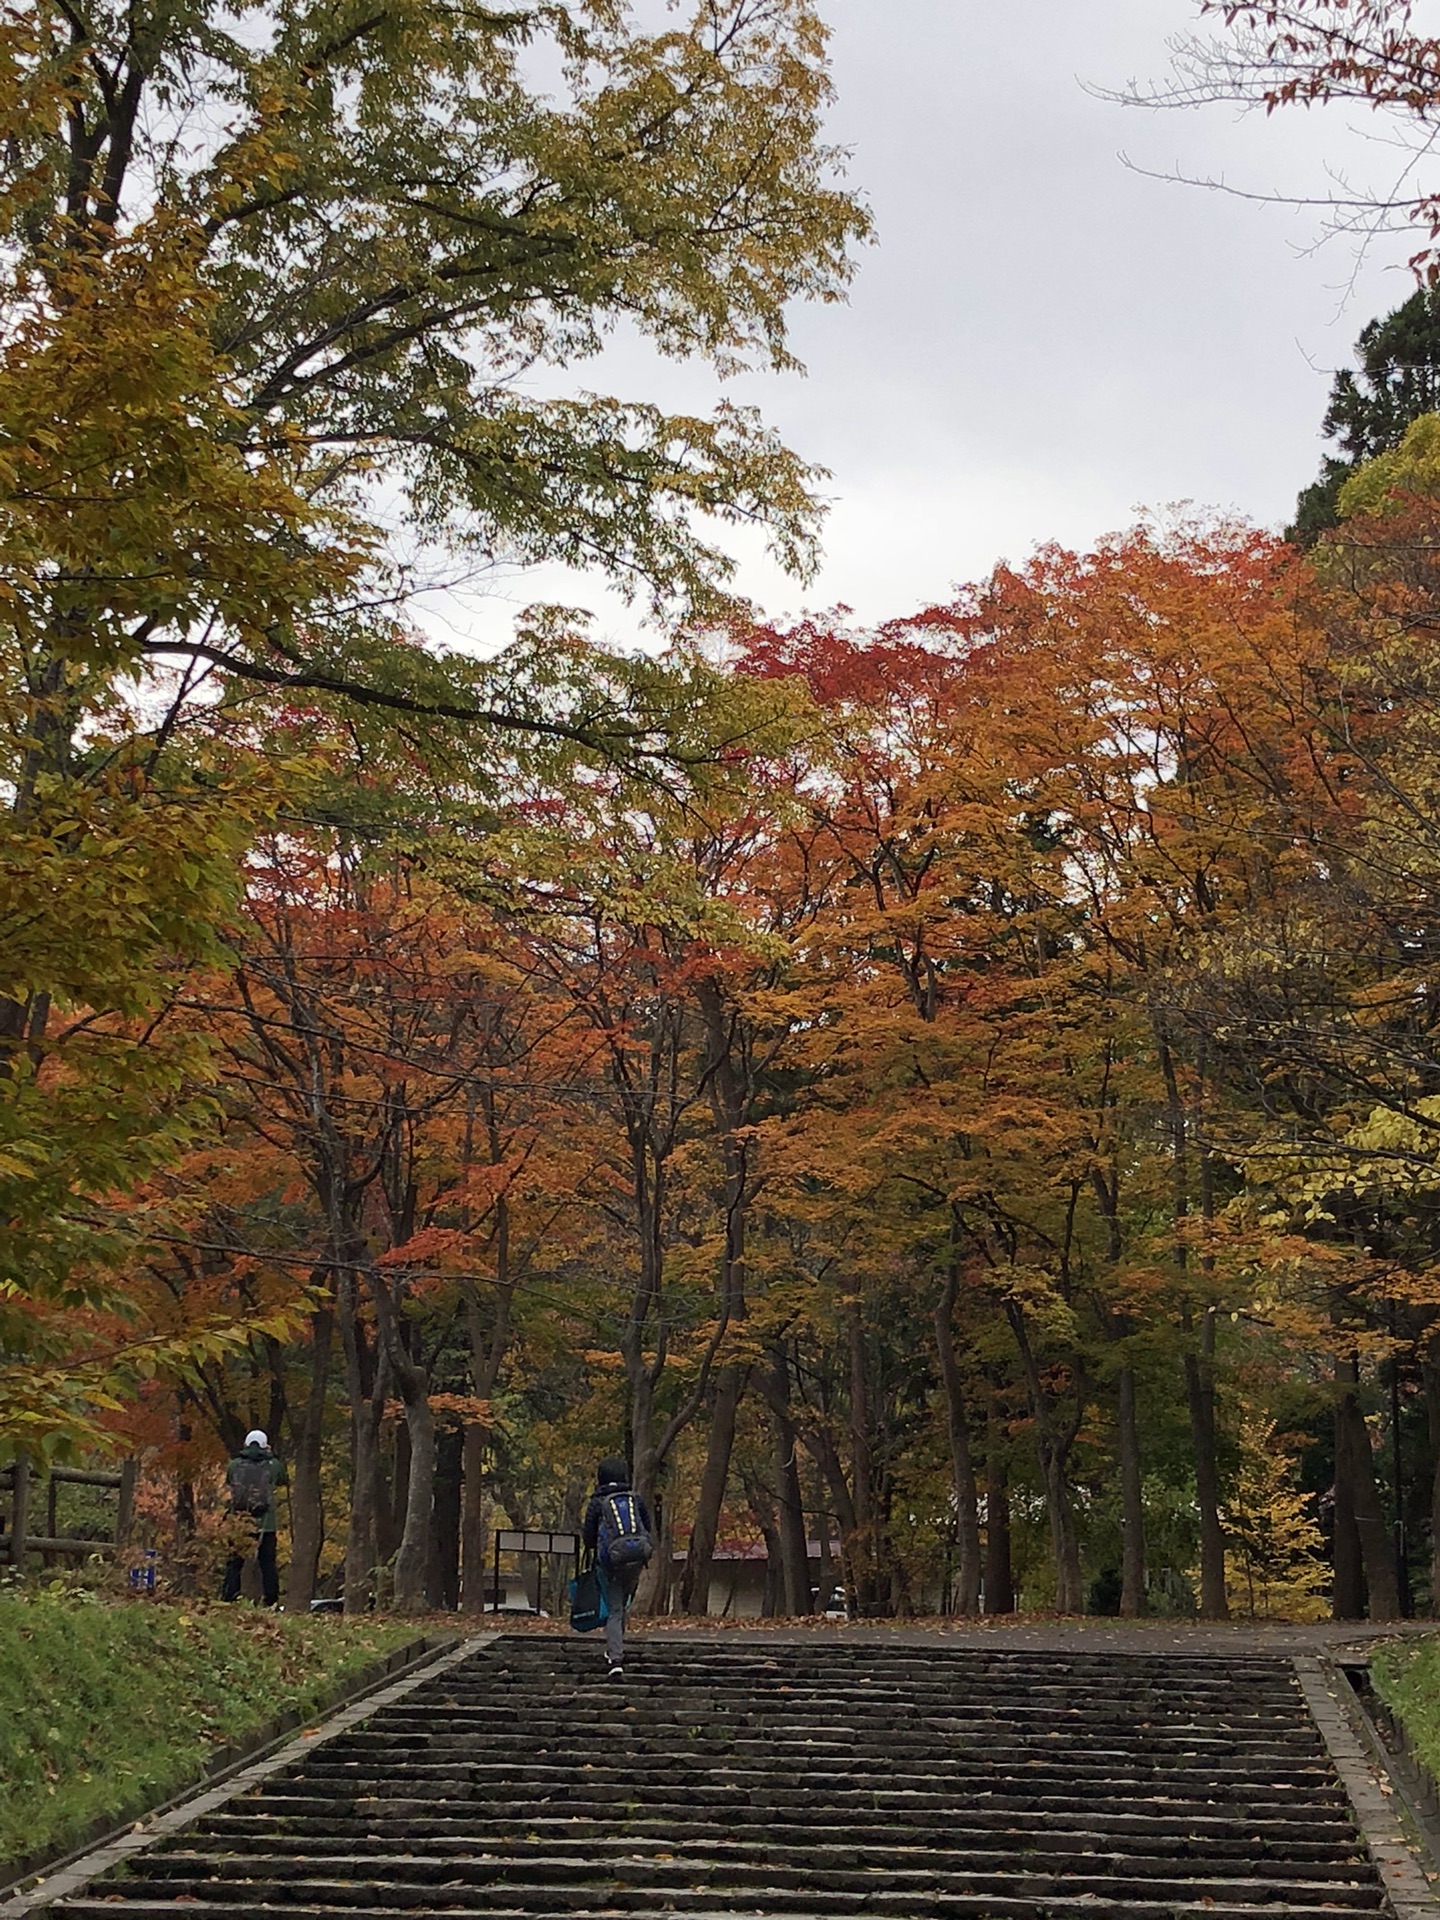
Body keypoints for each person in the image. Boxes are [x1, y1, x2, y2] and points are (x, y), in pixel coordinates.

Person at [581, 1455, 652, 1677]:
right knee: (621, 1606)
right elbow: (647, 1526)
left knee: (614, 1609)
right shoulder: (634, 1499)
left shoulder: (597, 1502)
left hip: (611, 1561)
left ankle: (615, 1658)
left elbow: (589, 1537)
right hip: (637, 1558)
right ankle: (616, 1648)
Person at [222, 1429, 286, 1606]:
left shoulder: (234, 1465)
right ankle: (271, 1601)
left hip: (239, 1522)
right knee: (267, 1563)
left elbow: (229, 1481)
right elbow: (282, 1479)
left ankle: (229, 1598)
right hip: (266, 1523)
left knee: (234, 1563)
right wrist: (270, 1454)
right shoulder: (273, 1465)